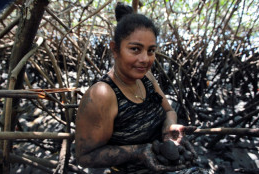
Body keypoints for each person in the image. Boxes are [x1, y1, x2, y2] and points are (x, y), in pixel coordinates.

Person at [75, 3, 197, 173]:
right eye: (135, 49)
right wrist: (138, 152)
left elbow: (169, 111)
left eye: (151, 50)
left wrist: (169, 130)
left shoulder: (146, 78)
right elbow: (84, 156)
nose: (145, 59)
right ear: (115, 49)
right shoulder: (102, 95)